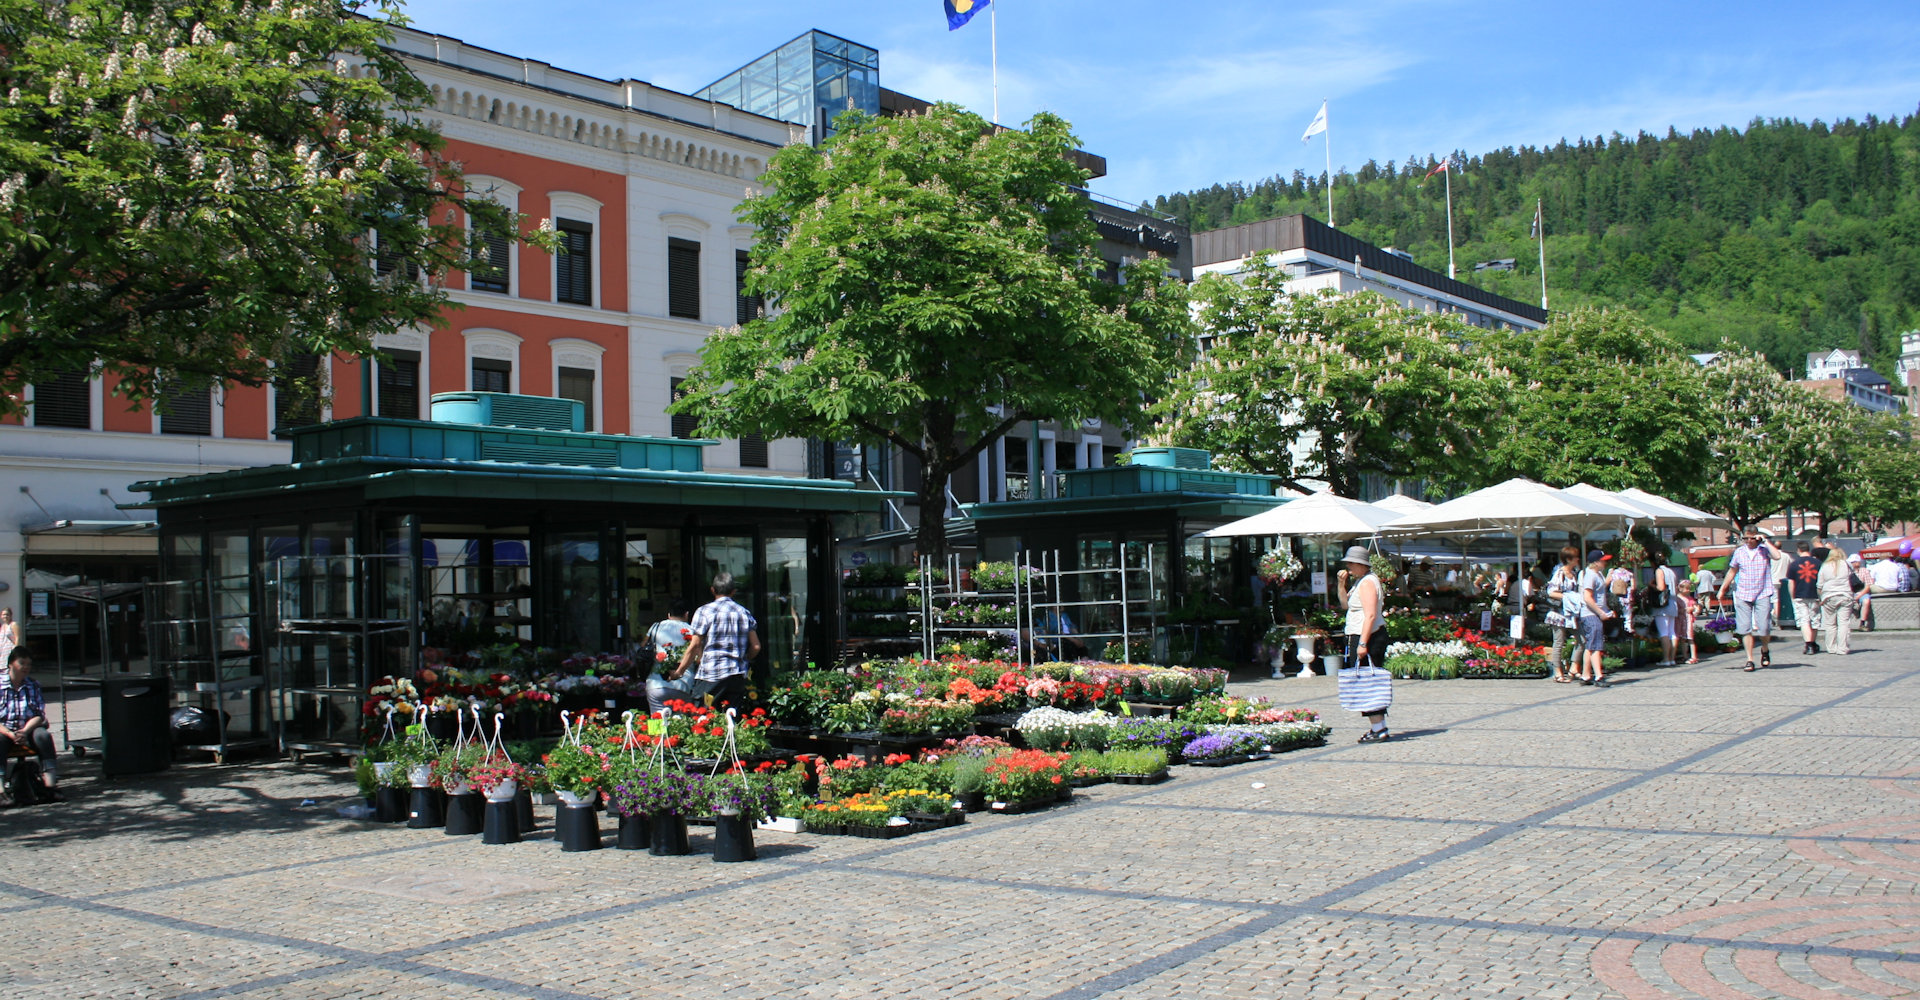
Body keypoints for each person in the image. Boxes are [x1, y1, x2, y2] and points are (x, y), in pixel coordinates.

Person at [658, 572, 760, 709]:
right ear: (733, 591)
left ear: (712, 590)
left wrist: (679, 671)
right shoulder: (744, 613)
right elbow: (756, 646)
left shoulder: (704, 611)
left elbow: (695, 644)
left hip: (711, 674)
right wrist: (744, 658)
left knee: (702, 714)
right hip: (736, 674)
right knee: (731, 715)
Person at [1334, 546, 1391, 743]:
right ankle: (1378, 726)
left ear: (1361, 564)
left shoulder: (1367, 582)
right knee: (1366, 682)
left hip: (1368, 636)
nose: (1348, 567)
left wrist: (1363, 643)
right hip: (1360, 635)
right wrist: (1341, 584)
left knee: (1368, 682)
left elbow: (1371, 615)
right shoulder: (1360, 581)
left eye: (1351, 563)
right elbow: (1345, 605)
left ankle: (1378, 728)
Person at [1, 648, 61, 804]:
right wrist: (10, 734)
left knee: (43, 736)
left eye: (29, 664)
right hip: (5, 729)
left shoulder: (33, 684)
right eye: (22, 663)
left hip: (27, 728)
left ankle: (50, 786)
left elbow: (39, 715)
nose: (26, 667)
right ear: (10, 664)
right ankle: (1, 791)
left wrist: (24, 731)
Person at [1719, 530, 1779, 671]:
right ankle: (1749, 659)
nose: (1748, 541)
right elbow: (1732, 571)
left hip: (1762, 592)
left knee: (1764, 627)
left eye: (1751, 538)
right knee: (1745, 628)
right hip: (1743, 592)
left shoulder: (1764, 550)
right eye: (1745, 538)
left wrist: (1765, 541)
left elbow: (1777, 556)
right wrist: (1722, 589)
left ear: (1757, 537)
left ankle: (1765, 649)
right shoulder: (1739, 552)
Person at [641, 601, 695, 713]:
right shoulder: (692, 631)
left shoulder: (655, 627)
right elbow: (698, 657)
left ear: (669, 615)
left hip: (656, 684)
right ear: (686, 614)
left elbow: (643, 646)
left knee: (658, 721)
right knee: (680, 721)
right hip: (683, 684)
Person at [1577, 550, 1615, 688]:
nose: (1605, 562)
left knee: (1590, 645)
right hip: (1590, 614)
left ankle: (1586, 675)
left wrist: (1609, 577)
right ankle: (1599, 676)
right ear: (1596, 562)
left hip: (1593, 613)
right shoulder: (1590, 575)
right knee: (1596, 646)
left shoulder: (1598, 574)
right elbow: (1587, 597)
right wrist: (1600, 612)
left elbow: (1600, 591)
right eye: (1603, 560)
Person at [1544, 546, 1583, 683]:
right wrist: (1568, 597)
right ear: (1568, 559)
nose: (1578, 559)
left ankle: (1574, 667)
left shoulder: (1574, 573)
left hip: (1571, 613)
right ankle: (1557, 672)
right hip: (1559, 613)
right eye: (1575, 557)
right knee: (1559, 642)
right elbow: (1551, 592)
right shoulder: (1559, 573)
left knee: (1582, 639)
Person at [1815, 547, 1861, 655]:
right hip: (1845, 595)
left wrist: (1821, 597)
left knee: (1830, 624)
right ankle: (1842, 648)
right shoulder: (1846, 564)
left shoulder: (1825, 566)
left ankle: (1831, 648)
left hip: (1828, 596)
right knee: (1843, 623)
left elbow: (1819, 585)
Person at [1786, 541, 1823, 656]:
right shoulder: (1818, 563)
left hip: (1800, 594)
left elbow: (1791, 583)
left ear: (1798, 550)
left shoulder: (1794, 564)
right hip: (1815, 594)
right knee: (1814, 620)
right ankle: (1813, 642)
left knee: (1804, 620)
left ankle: (1808, 644)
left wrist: (1792, 596)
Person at [1647, 557, 1682, 666]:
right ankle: (1672, 658)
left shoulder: (1659, 571)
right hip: (1673, 603)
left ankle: (1666, 659)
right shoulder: (1671, 571)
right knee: (1672, 632)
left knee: (1663, 632)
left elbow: (1661, 587)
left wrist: (1651, 585)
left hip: (1663, 605)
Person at [1852, 554, 1873, 630]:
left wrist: (1859, 596)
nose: (1853, 564)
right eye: (1852, 562)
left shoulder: (1864, 571)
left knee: (1866, 601)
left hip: (1862, 592)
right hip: (1850, 592)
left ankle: (1862, 623)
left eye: (1855, 562)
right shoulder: (1847, 571)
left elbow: (1868, 586)